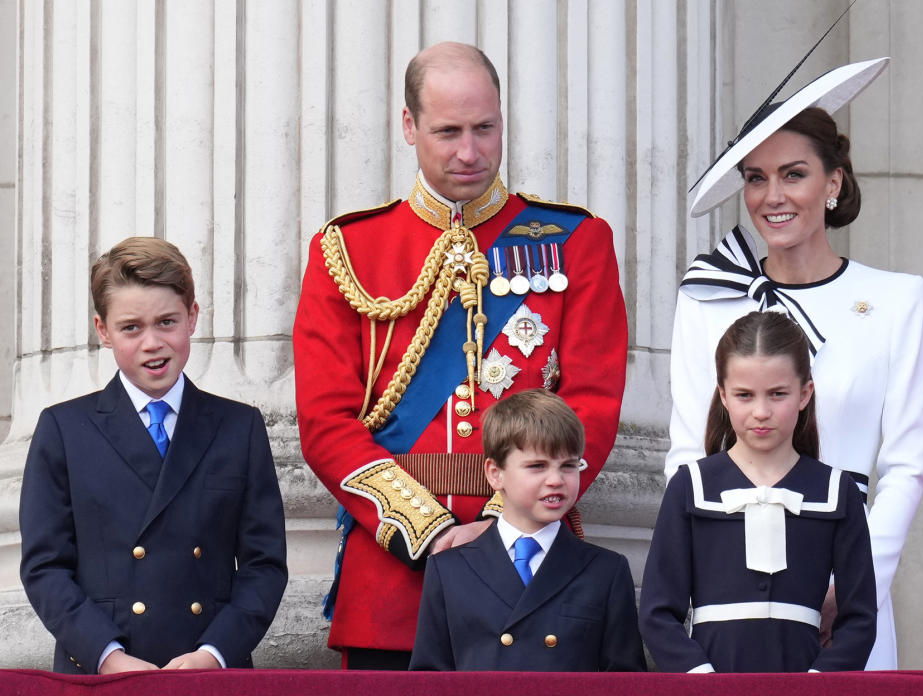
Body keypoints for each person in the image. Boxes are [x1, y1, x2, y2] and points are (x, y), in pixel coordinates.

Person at [293, 42, 627, 668]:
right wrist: (434, 532)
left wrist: (506, 524)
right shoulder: (347, 249)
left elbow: (592, 403)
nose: (469, 153)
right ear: (409, 126)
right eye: (448, 132)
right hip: (394, 584)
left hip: (535, 568)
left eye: (485, 128)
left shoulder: (575, 241)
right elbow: (324, 422)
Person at [667, 59, 923, 669]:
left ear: (834, 182)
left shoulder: (896, 299)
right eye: (756, 178)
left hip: (847, 575)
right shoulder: (708, 299)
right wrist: (712, 570)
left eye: (794, 174)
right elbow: (686, 455)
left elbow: (907, 464)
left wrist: (856, 583)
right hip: (731, 586)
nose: (772, 196)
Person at [19, 237, 288, 674]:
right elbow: (45, 568)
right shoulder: (64, 430)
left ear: (192, 318)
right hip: (101, 671)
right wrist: (107, 656)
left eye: (167, 322)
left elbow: (265, 565)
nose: (152, 343)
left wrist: (215, 653)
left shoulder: (240, 428)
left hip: (211, 670)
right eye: (131, 327)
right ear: (103, 330)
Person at [642, 311, 876, 672]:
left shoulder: (837, 491)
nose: (761, 411)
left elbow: (859, 618)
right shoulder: (690, 486)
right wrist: (701, 679)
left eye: (777, 394)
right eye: (745, 395)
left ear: (804, 394)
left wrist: (820, 683)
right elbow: (658, 613)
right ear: (723, 395)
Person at [410, 389, 645, 671]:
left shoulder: (606, 570)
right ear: (495, 474)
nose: (556, 480)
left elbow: (625, 682)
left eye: (569, 466)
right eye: (537, 466)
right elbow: (429, 680)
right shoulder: (449, 568)